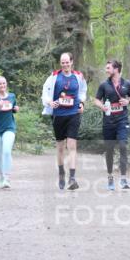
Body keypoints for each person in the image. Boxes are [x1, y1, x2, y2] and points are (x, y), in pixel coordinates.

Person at [41, 52, 87, 190]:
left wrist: (82, 103)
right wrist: (49, 102)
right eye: (63, 62)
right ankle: (61, 173)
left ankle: (72, 178)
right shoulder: (54, 76)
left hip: (74, 114)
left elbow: (83, 91)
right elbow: (45, 93)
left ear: (72, 62)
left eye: (67, 62)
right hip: (58, 115)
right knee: (60, 147)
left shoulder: (78, 76)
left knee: (72, 145)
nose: (65, 65)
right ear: (60, 63)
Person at [92, 59, 130, 190]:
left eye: (108, 68)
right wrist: (102, 107)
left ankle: (123, 179)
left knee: (123, 146)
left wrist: (128, 101)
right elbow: (96, 100)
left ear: (116, 69)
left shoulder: (126, 83)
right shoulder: (104, 85)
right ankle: (110, 178)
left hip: (122, 120)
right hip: (108, 121)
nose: (106, 70)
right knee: (109, 150)